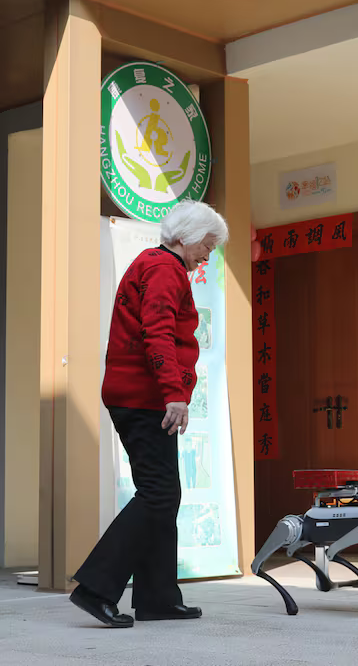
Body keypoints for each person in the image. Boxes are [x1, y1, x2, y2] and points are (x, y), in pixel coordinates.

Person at [69, 200, 229, 628]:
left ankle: (158, 597)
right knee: (157, 493)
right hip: (142, 397)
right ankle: (95, 588)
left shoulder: (157, 264)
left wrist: (173, 395)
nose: (207, 255)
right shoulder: (163, 268)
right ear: (188, 237)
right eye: (207, 245)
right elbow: (157, 332)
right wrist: (174, 395)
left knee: (163, 494)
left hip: (141, 396)